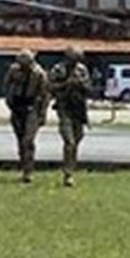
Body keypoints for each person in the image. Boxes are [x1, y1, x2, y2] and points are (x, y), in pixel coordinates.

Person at [3, 48, 49, 183]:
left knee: (28, 140)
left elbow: (45, 95)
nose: (23, 68)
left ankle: (28, 171)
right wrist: (9, 100)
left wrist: (42, 114)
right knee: (20, 140)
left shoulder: (39, 74)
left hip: (32, 109)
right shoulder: (14, 71)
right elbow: (6, 85)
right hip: (17, 108)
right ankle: (23, 164)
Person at [49, 46, 91, 187]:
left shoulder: (82, 70)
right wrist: (66, 84)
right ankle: (68, 174)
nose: (74, 62)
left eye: (77, 59)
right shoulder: (58, 69)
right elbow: (49, 87)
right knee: (69, 141)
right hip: (64, 108)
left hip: (78, 109)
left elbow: (89, 88)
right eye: (72, 59)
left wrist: (81, 84)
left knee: (77, 139)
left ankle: (71, 164)